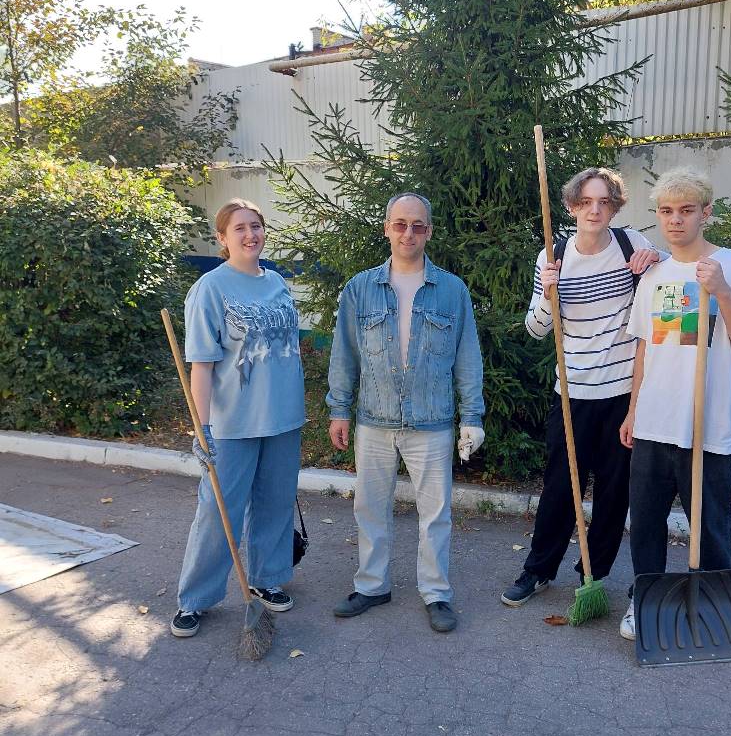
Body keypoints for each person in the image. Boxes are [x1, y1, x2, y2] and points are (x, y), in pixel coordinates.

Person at [618, 168, 731, 639]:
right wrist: (632, 409)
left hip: (710, 427)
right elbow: (645, 345)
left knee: (711, 528)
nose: (676, 220)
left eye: (686, 211)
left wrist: (721, 290)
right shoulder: (655, 274)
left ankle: (715, 605)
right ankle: (646, 598)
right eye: (666, 211)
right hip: (654, 423)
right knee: (644, 523)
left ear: (706, 212)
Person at [502, 167, 661, 610]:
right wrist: (549, 295)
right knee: (560, 486)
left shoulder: (634, 244)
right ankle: (537, 570)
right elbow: (535, 330)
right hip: (571, 393)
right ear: (571, 207)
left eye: (604, 202)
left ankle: (593, 574)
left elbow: (670, 282)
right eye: (586, 202)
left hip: (623, 393)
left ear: (613, 207)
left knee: (614, 492)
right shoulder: (552, 255)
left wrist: (656, 263)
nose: (595, 210)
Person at [327, 191, 485, 633]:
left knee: (435, 513)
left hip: (431, 421)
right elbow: (345, 354)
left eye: (417, 225)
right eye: (400, 224)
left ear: (429, 231)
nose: (408, 232)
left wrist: (472, 417)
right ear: (387, 228)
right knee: (370, 508)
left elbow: (467, 357)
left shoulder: (452, 290)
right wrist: (339, 410)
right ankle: (372, 585)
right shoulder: (360, 288)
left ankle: (436, 592)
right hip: (373, 420)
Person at [170, 199, 306, 638]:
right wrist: (202, 428)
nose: (251, 235)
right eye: (240, 228)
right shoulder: (210, 289)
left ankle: (267, 579)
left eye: (257, 226)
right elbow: (203, 366)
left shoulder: (278, 282)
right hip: (232, 426)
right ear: (223, 238)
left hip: (283, 418)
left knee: (275, 504)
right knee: (217, 510)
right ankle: (196, 598)